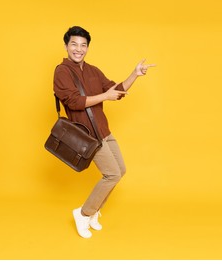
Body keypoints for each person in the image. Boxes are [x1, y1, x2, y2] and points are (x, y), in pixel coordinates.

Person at [53, 26, 155, 238]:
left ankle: (93, 213)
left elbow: (116, 91)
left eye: (83, 45)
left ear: (87, 48)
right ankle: (83, 213)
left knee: (121, 170)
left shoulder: (93, 70)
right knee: (112, 174)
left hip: (104, 131)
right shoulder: (61, 71)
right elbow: (74, 101)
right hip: (88, 135)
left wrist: (134, 74)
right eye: (74, 44)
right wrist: (104, 97)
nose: (78, 49)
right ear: (66, 46)